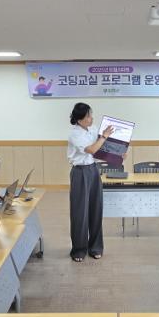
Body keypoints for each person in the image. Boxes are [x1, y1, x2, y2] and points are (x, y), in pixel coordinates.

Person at [67, 102, 113, 262]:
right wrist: (104, 137)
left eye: (91, 115)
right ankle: (79, 249)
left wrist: (118, 156)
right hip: (80, 173)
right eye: (88, 116)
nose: (91, 118)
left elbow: (100, 150)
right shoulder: (74, 134)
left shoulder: (93, 129)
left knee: (96, 209)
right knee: (80, 212)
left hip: (93, 170)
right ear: (79, 119)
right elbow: (91, 149)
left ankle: (95, 247)